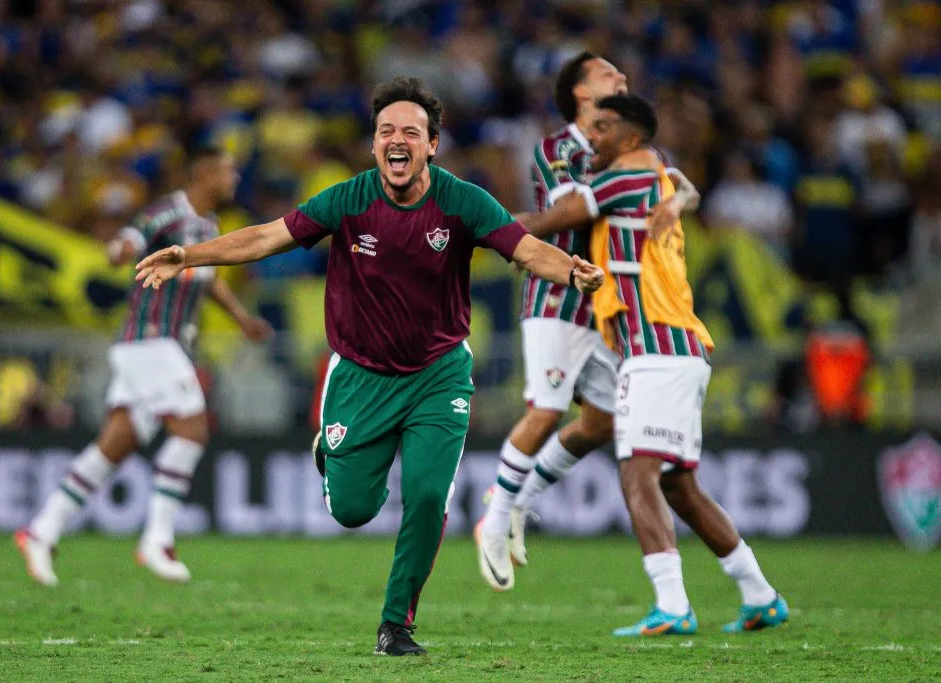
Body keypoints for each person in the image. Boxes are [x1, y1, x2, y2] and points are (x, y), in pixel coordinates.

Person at [134, 76, 604, 656]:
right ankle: (333, 455)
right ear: (374, 145)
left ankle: (396, 624)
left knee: (430, 496)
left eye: (411, 131)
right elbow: (264, 239)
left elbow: (526, 248)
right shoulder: (348, 199)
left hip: (439, 373)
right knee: (353, 510)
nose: (397, 140)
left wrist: (571, 270)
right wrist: (189, 256)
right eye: (387, 131)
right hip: (361, 374)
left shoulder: (462, 200)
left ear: (432, 144)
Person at [524, 94, 788, 636]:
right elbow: (678, 183)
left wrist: (473, 227)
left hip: (660, 349)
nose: (592, 139)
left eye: (603, 130)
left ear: (631, 139)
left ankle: (672, 604)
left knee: (637, 471)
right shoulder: (655, 177)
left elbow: (551, 219)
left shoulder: (627, 176)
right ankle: (760, 595)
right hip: (675, 348)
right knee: (677, 486)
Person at [475, 52, 700, 592]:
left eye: (623, 74)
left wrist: (681, 196)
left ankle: (521, 496)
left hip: (607, 308)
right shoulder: (558, 149)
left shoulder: (633, 149)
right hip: (557, 294)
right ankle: (495, 516)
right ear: (578, 92)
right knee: (548, 407)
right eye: (607, 75)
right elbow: (570, 210)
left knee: (602, 420)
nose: (621, 77)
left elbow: (678, 184)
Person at [15, 146, 272, 587]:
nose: (234, 178)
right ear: (206, 173)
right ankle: (157, 538)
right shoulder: (167, 213)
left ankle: (42, 529)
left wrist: (242, 318)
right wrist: (120, 250)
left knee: (113, 446)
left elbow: (208, 283)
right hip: (150, 339)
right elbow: (132, 237)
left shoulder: (209, 227)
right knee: (192, 429)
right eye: (229, 171)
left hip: (157, 348)